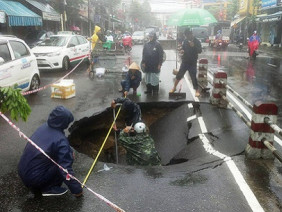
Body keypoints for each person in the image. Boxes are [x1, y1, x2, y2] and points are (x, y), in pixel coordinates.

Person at [18, 106, 83, 197]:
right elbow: (65, 169)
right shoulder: (61, 141)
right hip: (34, 180)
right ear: (64, 123)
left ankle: (40, 181)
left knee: (67, 153)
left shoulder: (44, 127)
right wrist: (77, 190)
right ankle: (47, 188)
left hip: (23, 172)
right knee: (66, 159)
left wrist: (68, 150)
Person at [170, 28, 202, 97]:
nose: (187, 37)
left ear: (191, 34)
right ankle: (174, 87)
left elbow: (200, 50)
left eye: (188, 36)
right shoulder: (185, 41)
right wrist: (182, 51)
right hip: (185, 62)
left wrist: (194, 46)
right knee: (179, 75)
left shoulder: (197, 41)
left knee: (193, 77)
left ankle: (196, 90)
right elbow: (184, 49)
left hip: (192, 62)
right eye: (186, 36)